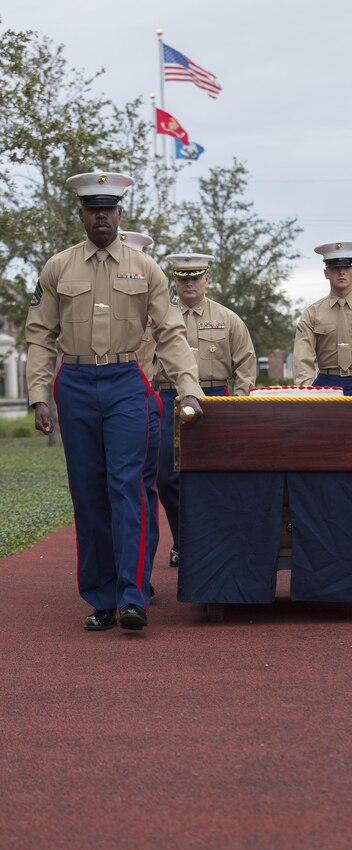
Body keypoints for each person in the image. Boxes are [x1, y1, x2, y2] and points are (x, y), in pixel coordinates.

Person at [25, 172, 202, 633]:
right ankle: (101, 597)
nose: (101, 216)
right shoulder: (58, 267)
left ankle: (133, 596)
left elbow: (171, 333)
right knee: (88, 494)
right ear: (82, 215)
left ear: (120, 213)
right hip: (76, 382)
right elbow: (40, 336)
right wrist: (39, 394)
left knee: (126, 487)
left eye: (108, 209)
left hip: (127, 380)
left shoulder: (146, 268)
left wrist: (188, 389)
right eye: (92, 209)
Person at [155, 253, 257, 566]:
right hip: (169, 397)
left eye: (195, 277)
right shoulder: (160, 318)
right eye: (183, 278)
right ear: (175, 280)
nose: (189, 283)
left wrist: (238, 406)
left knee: (216, 475)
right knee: (166, 477)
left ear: (206, 279)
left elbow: (246, 363)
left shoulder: (227, 318)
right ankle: (183, 540)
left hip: (216, 398)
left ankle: (213, 539)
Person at [120, 230, 162, 602]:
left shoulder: (157, 311)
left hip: (144, 404)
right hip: (105, 400)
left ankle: (139, 572)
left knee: (139, 492)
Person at [293, 241, 352, 396]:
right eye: (335, 267)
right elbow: (303, 357)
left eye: (347, 267)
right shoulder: (312, 313)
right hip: (326, 384)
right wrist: (304, 391)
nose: (341, 272)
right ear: (326, 273)